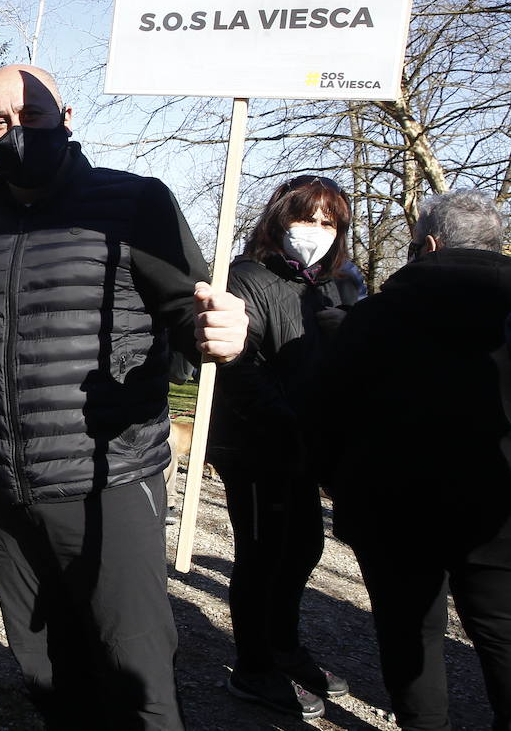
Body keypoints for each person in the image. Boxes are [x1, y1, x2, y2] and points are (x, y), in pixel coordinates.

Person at [0, 64, 247, 730]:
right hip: (10, 494)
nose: (17, 131)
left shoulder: (136, 203)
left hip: (109, 482)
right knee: (47, 674)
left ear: (67, 117)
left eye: (33, 115)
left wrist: (223, 330)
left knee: (135, 679)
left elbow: (190, 316)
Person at [318, 189, 511, 731]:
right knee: (501, 629)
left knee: (410, 633)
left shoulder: (374, 317)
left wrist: (339, 485)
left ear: (427, 243)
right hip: (502, 506)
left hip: (394, 508)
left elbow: (330, 411)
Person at [208, 175, 360, 718]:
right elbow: (241, 368)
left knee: (303, 549)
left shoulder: (339, 282)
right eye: (306, 218)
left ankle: (283, 644)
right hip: (256, 445)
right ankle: (253, 668)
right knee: (261, 554)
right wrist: (292, 426)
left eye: (329, 223)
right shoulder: (245, 278)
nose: (315, 232)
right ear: (280, 218)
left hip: (311, 444)